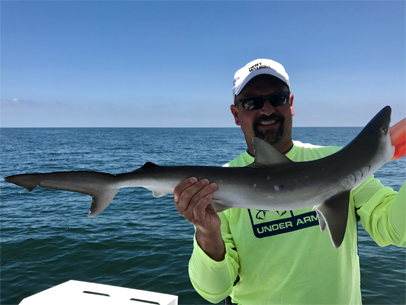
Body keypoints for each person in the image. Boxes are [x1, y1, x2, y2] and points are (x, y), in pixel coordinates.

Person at [173, 59, 406, 305]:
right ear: (236, 114)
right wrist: (208, 232)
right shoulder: (217, 187)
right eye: (252, 102)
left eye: (277, 98)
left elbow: (396, 230)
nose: (267, 110)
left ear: (291, 103)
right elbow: (214, 291)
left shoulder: (339, 164)